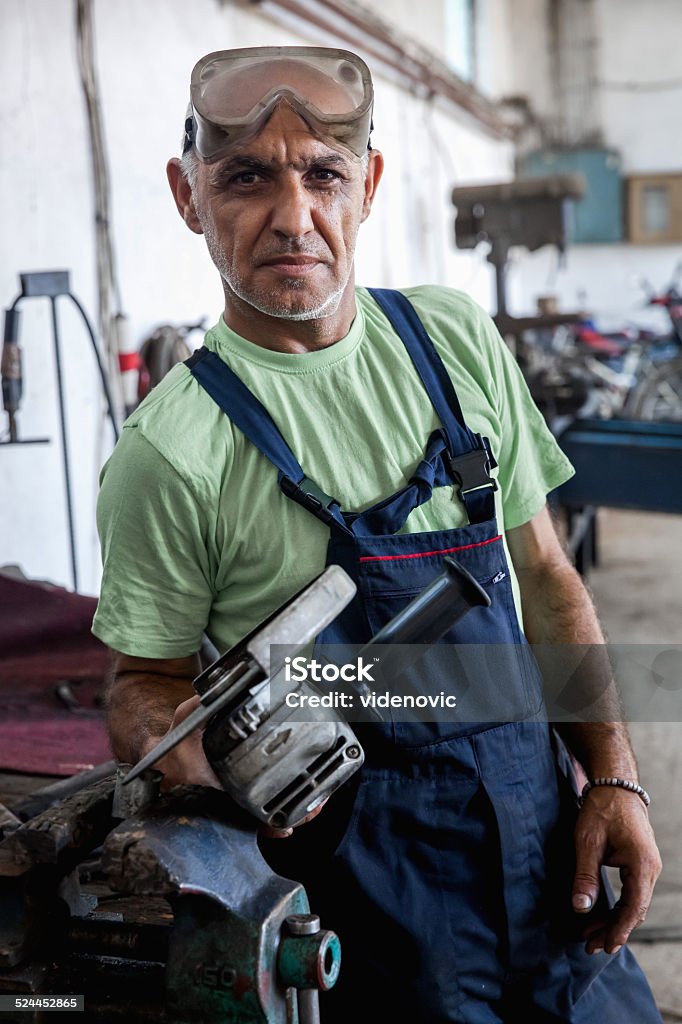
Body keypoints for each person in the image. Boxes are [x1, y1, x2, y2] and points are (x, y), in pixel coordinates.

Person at [93, 45, 663, 1023]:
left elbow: (542, 574)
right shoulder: (172, 449)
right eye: (245, 179)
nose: (292, 216)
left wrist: (611, 772)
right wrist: (212, 778)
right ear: (189, 196)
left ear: (369, 186)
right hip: (364, 892)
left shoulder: (454, 342)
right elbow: (143, 684)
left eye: (322, 173)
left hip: (540, 839)